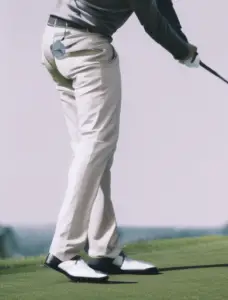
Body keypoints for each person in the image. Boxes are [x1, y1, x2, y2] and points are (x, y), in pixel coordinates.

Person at [41, 0, 200, 283]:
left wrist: (181, 41)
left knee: (90, 152)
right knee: (95, 146)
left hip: (55, 43)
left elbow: (161, 3)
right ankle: (64, 251)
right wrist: (183, 51)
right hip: (86, 48)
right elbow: (152, 22)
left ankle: (104, 250)